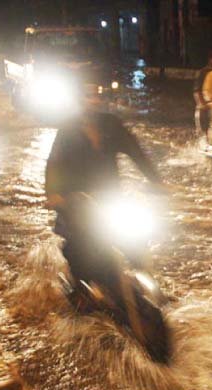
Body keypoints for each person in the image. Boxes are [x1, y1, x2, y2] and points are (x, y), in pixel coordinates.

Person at [45, 86, 164, 288]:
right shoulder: (68, 129)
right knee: (80, 248)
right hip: (77, 200)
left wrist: (157, 181)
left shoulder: (112, 125)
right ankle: (82, 287)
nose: (93, 100)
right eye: (88, 96)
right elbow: (54, 163)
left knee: (135, 241)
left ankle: (150, 288)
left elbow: (137, 153)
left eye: (97, 96)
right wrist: (53, 193)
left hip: (110, 198)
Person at [193, 52, 212, 139]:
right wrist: (201, 103)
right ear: (210, 60)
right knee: (204, 126)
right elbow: (197, 89)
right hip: (205, 103)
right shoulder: (203, 72)